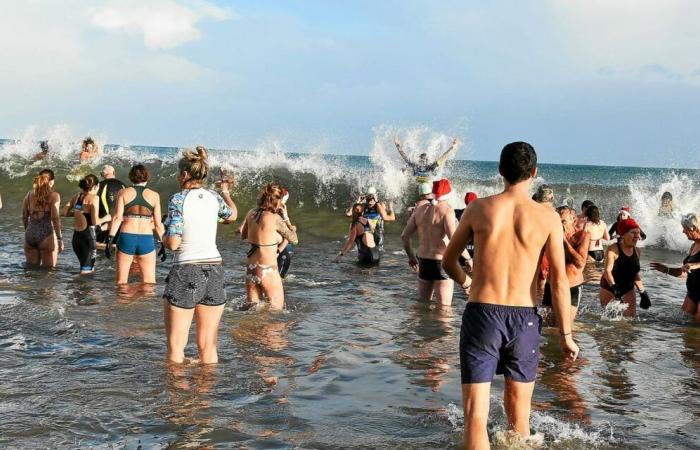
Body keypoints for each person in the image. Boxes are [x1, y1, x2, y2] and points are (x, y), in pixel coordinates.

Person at [441, 141, 579, 449]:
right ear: (535, 172)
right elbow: (558, 281)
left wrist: (466, 283)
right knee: (520, 418)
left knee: (476, 416)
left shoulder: (479, 208)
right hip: (524, 319)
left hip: (482, 314)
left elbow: (449, 260)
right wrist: (566, 334)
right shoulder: (547, 217)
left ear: (500, 171)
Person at [162, 146, 237, 364]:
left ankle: (177, 397)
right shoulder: (215, 198)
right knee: (208, 346)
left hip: (187, 269)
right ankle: (206, 396)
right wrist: (225, 192)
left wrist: (162, 236)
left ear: (185, 175)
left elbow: (174, 243)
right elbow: (231, 216)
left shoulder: (178, 200)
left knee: (176, 348)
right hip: (214, 270)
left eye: (179, 173)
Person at [401, 179, 469, 306]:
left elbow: (404, 236)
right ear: (448, 194)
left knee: (422, 307)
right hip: (441, 264)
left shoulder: (420, 210)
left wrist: (411, 258)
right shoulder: (447, 210)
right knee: (444, 311)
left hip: (424, 262)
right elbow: (454, 239)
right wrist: (468, 258)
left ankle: (423, 327)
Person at [241, 183, 298, 310]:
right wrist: (286, 218)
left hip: (251, 269)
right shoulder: (275, 218)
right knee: (275, 313)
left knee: (253, 312)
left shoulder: (251, 213)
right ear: (277, 201)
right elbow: (294, 240)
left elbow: (243, 235)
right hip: (268, 270)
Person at [105, 164, 164, 284]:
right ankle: (145, 303)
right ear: (147, 177)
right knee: (149, 283)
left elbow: (117, 218)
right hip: (146, 239)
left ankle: (122, 302)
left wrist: (110, 239)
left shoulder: (123, 192)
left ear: (131, 177)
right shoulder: (154, 195)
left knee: (121, 282)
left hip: (127, 237)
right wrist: (162, 243)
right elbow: (158, 224)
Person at [542, 206, 590, 327]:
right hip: (551, 285)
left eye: (563, 221)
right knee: (548, 327)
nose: (560, 224)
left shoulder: (582, 236)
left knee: (565, 328)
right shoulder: (550, 235)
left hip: (571, 286)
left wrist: (563, 241)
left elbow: (580, 263)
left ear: (574, 220)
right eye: (557, 221)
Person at [651, 213, 700, 321]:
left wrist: (694, 265)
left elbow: (694, 266)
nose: (683, 231)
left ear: (694, 228)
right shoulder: (694, 246)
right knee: (686, 328)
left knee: (696, 331)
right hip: (692, 292)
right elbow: (685, 272)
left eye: (685, 229)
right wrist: (666, 269)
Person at [600, 218, 650, 316]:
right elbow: (607, 271)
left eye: (638, 233)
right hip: (610, 288)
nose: (637, 236)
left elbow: (634, 273)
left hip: (628, 288)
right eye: (633, 233)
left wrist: (643, 292)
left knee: (630, 319)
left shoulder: (637, 251)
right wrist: (614, 288)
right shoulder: (613, 250)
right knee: (611, 321)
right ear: (623, 234)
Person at [62, 174, 111, 274]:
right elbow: (95, 221)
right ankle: (79, 288)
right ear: (96, 186)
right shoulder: (94, 198)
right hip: (88, 239)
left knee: (86, 269)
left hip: (76, 239)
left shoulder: (78, 196)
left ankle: (79, 289)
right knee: (86, 273)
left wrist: (79, 212)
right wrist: (107, 217)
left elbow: (64, 212)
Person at [22, 169, 63, 268]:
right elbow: (55, 218)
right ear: (51, 181)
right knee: (49, 272)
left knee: (31, 270)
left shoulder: (29, 195)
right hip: (46, 235)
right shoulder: (54, 196)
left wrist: (28, 231)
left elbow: (24, 216)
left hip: (30, 234)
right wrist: (59, 238)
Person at [394, 136, 459, 183]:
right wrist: (452, 146)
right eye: (422, 160)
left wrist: (398, 145)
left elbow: (442, 157)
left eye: (423, 160)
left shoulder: (425, 167)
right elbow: (442, 157)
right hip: (424, 186)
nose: (422, 161)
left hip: (422, 185)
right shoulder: (425, 166)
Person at [96, 165, 125, 241]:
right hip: (121, 229)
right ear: (114, 173)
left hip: (103, 229)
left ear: (102, 175)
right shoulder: (124, 186)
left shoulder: (98, 186)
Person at [276, 189, 296, 278]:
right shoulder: (277, 212)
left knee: (279, 277)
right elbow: (292, 236)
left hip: (282, 249)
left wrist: (286, 218)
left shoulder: (280, 209)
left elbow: (291, 237)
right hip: (279, 249)